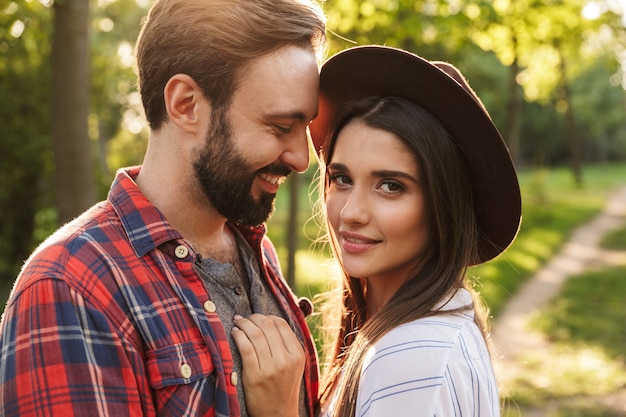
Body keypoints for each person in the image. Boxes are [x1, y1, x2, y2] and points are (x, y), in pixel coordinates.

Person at [0, 1, 326, 416]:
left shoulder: (256, 253)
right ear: (186, 104)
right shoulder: (72, 288)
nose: (302, 158)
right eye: (281, 127)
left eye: (306, 129)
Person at [306, 46, 522, 416]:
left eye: (390, 186)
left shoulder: (411, 359)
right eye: (341, 178)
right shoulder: (424, 329)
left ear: (443, 206)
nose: (352, 212)